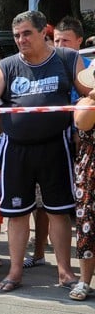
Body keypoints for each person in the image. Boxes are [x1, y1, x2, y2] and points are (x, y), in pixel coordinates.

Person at [0, 10, 86, 293]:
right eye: (16, 36)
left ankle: (65, 272)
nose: (21, 40)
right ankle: (14, 272)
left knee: (58, 211)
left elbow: (88, 90)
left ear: (42, 33)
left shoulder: (67, 58)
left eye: (27, 33)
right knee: (16, 214)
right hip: (16, 148)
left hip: (55, 146)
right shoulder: (8, 65)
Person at [70, 70, 95, 301]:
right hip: (91, 169)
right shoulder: (85, 101)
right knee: (87, 225)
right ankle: (84, 280)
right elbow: (82, 123)